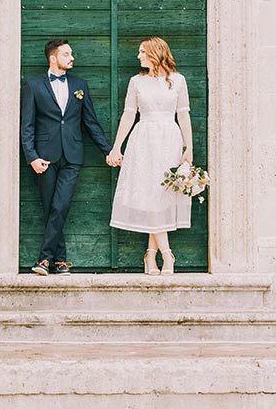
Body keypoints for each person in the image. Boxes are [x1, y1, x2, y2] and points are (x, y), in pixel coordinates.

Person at [20, 39, 113, 275]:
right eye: (67, 54)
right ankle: (60, 261)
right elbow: (27, 125)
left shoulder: (80, 85)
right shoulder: (34, 86)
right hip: (44, 157)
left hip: (72, 155)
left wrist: (108, 151)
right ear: (53, 58)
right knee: (50, 207)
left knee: (60, 206)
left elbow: (90, 123)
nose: (72, 58)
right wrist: (31, 156)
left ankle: (44, 259)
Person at [106, 37, 193, 275]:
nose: (138, 56)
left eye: (142, 52)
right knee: (150, 196)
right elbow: (128, 115)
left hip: (169, 139)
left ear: (155, 53)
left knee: (161, 196)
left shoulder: (178, 81)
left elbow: (183, 116)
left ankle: (151, 255)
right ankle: (166, 255)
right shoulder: (136, 82)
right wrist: (116, 147)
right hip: (143, 140)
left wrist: (189, 149)